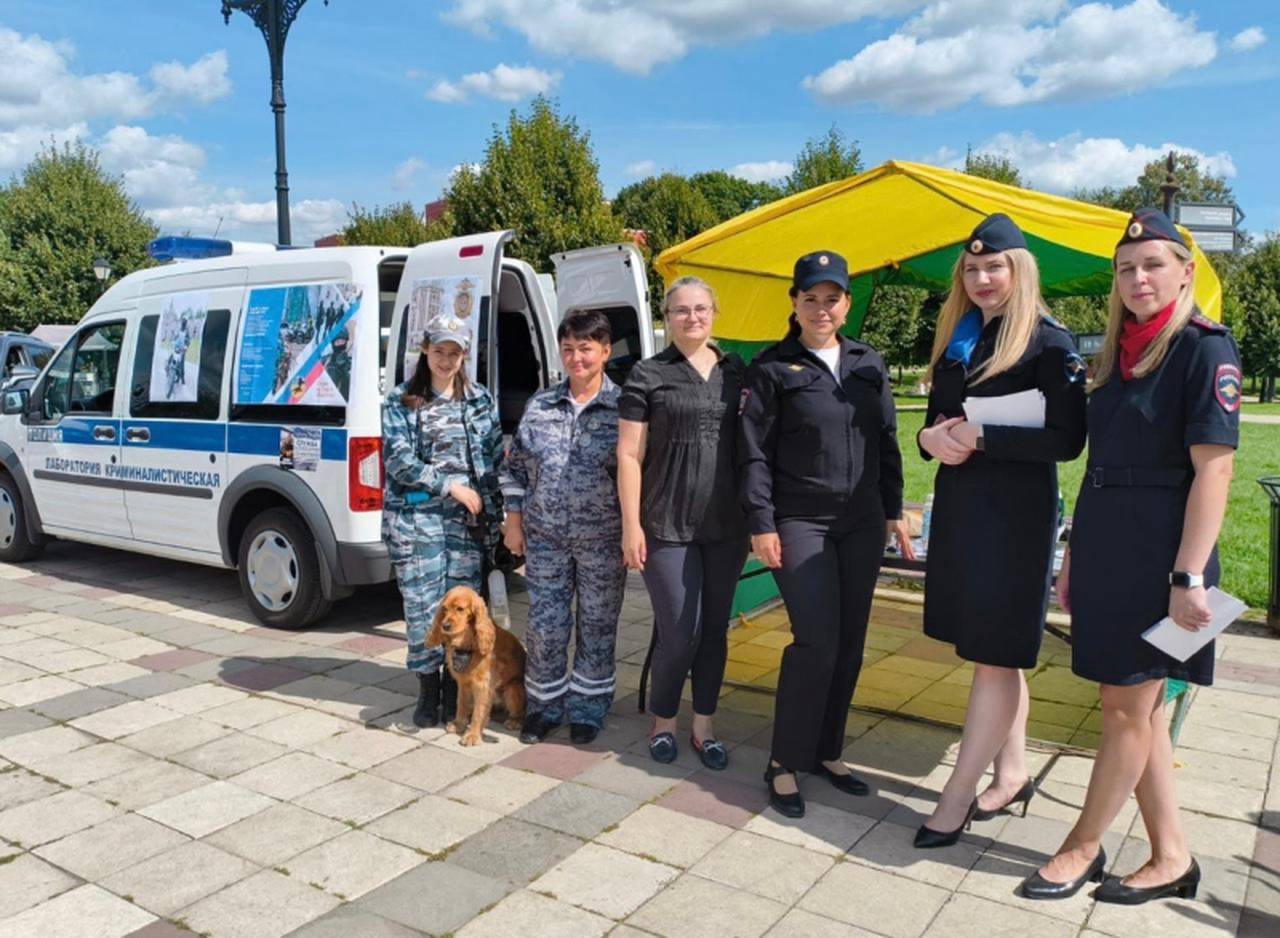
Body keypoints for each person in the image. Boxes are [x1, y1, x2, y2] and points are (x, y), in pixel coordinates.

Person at [1022, 209, 1240, 903]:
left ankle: (1082, 846)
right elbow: (1101, 469)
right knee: (1136, 712)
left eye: (1152, 265)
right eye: (1125, 269)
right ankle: (1172, 856)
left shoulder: (1205, 350)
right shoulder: (1118, 353)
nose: (1138, 278)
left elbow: (1215, 471)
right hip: (1109, 552)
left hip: (1169, 563)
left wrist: (1189, 577)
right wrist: (1074, 556)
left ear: (1185, 271)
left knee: (1124, 708)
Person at [913, 214, 1087, 848]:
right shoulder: (961, 337)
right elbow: (935, 420)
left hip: (1015, 517)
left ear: (1020, 270)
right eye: (972, 269)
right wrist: (930, 438)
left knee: (994, 655)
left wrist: (984, 436)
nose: (982, 278)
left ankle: (956, 797)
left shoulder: (1050, 343)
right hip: (964, 508)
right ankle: (1011, 774)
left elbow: (1068, 440)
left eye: (995, 267)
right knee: (993, 652)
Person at [740, 250, 913, 818]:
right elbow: (753, 454)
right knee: (815, 640)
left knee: (849, 643)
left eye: (831, 299)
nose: (821, 308)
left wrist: (893, 509)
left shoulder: (868, 362)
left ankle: (826, 751)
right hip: (801, 521)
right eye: (810, 298)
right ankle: (783, 761)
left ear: (846, 304)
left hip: (861, 521)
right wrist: (761, 522)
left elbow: (886, 439)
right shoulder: (772, 368)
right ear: (794, 303)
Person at [617, 276, 748, 770]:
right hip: (665, 523)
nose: (692, 317)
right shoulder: (648, 374)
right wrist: (631, 525)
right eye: (680, 310)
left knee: (714, 630)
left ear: (714, 313)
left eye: (700, 309)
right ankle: (664, 721)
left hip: (726, 526)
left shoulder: (737, 372)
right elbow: (628, 454)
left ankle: (704, 727)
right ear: (667, 318)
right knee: (679, 632)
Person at [503, 309, 625, 746]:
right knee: (546, 627)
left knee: (597, 625)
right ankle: (544, 706)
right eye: (568, 349)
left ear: (605, 351)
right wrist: (513, 523)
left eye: (585, 349)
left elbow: (638, 476)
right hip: (546, 540)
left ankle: (589, 707)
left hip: (602, 541)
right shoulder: (540, 405)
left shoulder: (624, 408)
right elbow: (515, 469)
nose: (576, 358)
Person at [381, 316, 504, 729]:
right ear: (425, 350)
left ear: (465, 355)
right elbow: (398, 459)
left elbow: (492, 461)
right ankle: (427, 687)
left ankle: (455, 690)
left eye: (454, 353)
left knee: (462, 612)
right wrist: (448, 485)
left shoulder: (479, 400)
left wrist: (496, 520)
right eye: (439, 351)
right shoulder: (401, 399)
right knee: (423, 609)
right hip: (418, 520)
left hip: (466, 525)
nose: (446, 360)